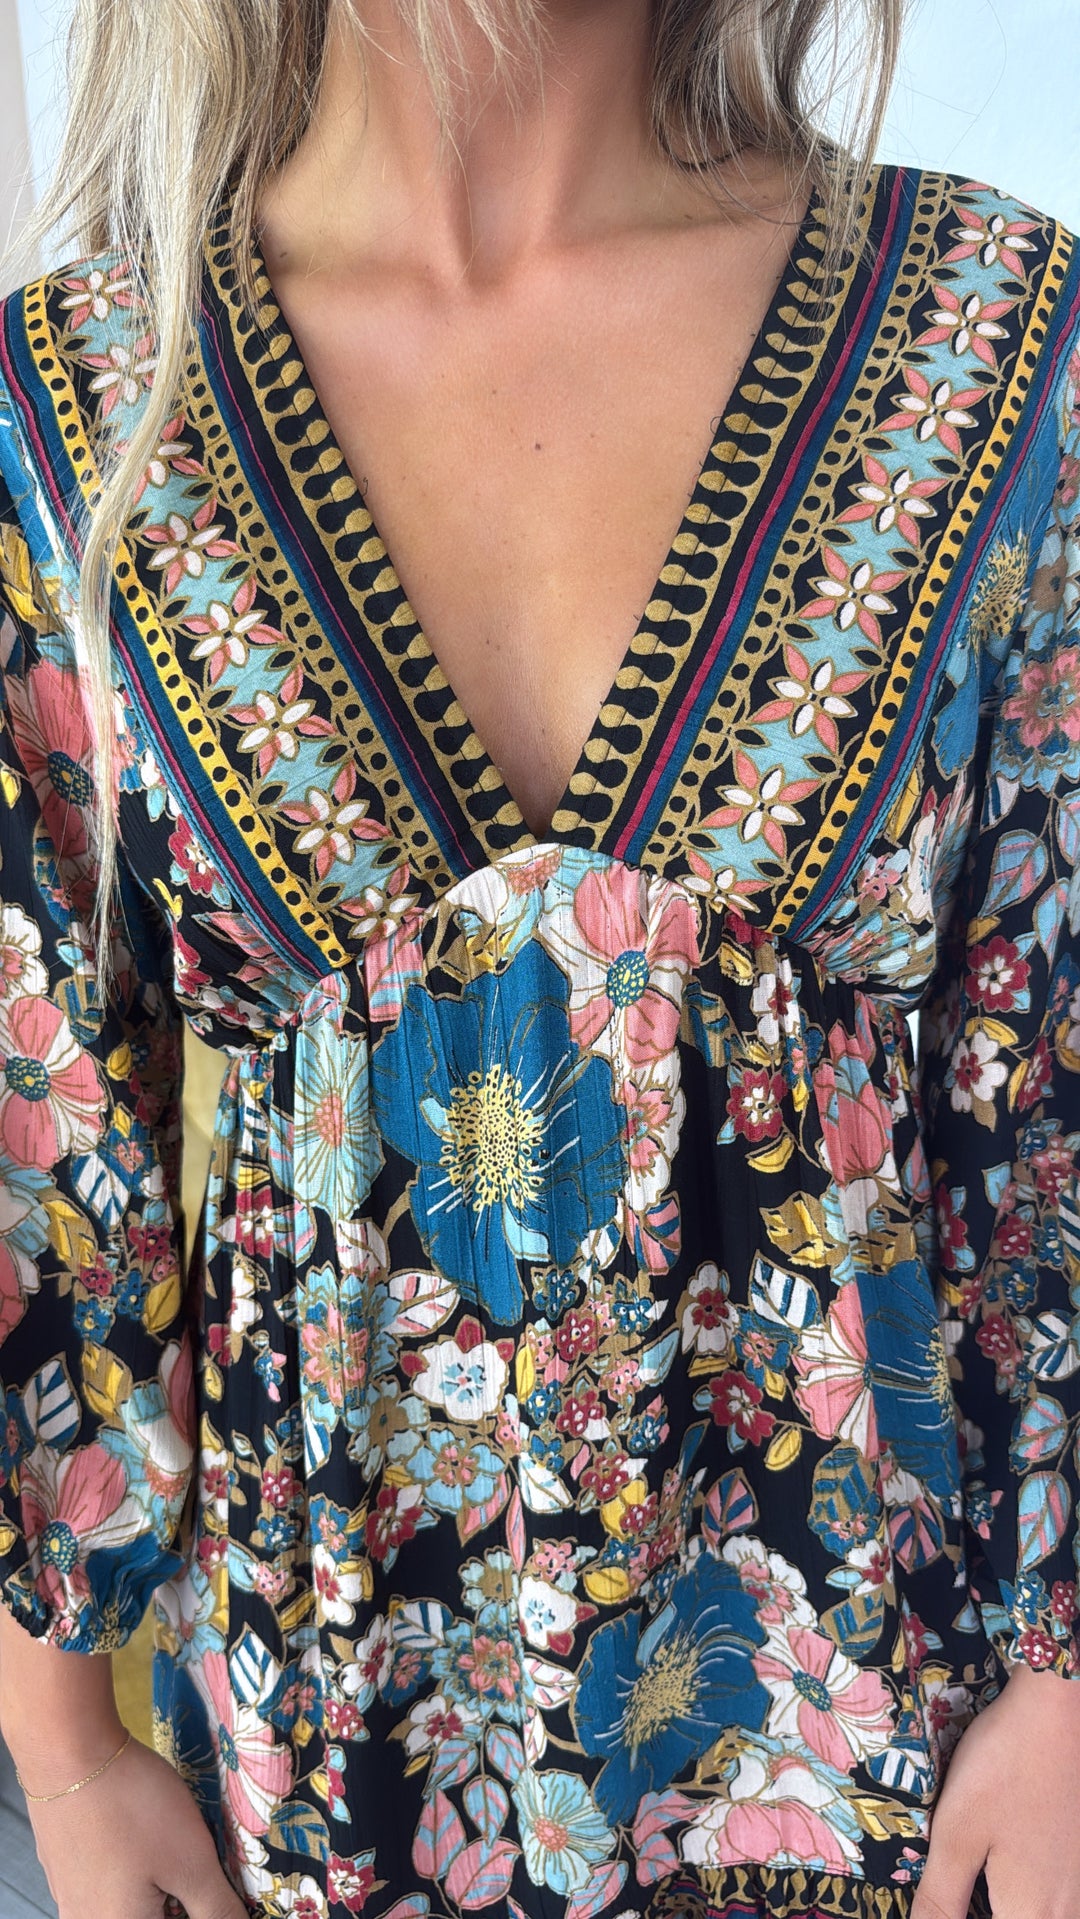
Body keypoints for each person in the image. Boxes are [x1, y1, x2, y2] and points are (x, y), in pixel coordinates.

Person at [0, 0, 1079, 1913]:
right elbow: (35, 1123)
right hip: (327, 1800)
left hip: (904, 1781)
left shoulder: (998, 338)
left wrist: (1071, 1689)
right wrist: (65, 1749)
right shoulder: (82, 402)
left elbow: (1054, 1060)